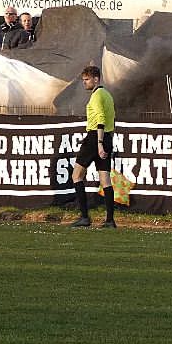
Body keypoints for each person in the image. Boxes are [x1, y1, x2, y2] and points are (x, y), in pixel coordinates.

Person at [70, 65, 117, 228]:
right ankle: (110, 220)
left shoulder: (97, 95)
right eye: (83, 80)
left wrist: (98, 143)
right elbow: (111, 118)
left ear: (96, 79)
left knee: (76, 176)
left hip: (94, 138)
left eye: (87, 79)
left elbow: (101, 119)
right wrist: (106, 142)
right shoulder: (107, 95)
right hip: (107, 137)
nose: (84, 83)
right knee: (105, 180)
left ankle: (84, 217)